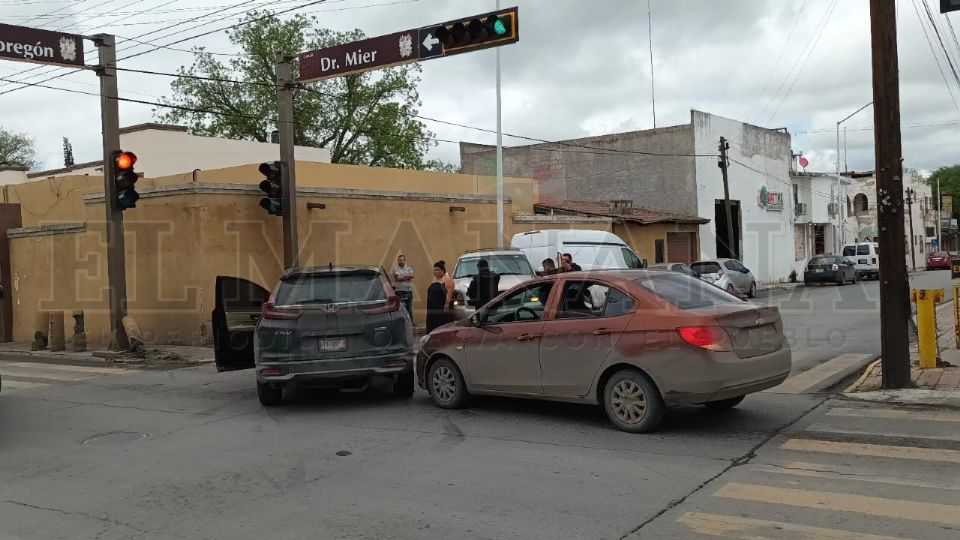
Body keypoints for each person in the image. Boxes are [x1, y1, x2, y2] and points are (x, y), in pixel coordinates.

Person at [426, 260, 455, 332]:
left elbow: (450, 292)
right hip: (432, 307)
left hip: (441, 306)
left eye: (437, 270)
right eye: (434, 270)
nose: (435, 272)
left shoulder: (448, 279)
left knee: (441, 324)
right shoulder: (434, 279)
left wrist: (447, 303)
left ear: (442, 270)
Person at [392, 254, 414, 319]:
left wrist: (402, 276)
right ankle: (401, 323)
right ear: (397, 261)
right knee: (399, 309)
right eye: (399, 260)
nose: (401, 261)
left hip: (408, 291)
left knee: (409, 309)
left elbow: (412, 276)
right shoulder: (395, 269)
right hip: (399, 292)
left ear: (404, 260)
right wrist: (407, 276)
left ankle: (411, 323)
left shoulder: (409, 268)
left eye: (402, 260)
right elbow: (398, 278)